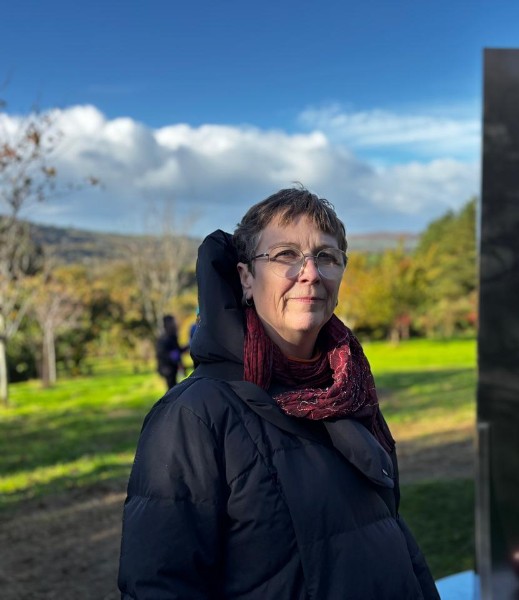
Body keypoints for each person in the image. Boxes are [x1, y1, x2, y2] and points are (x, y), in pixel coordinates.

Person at [118, 187, 439, 599]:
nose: (310, 273)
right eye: (286, 254)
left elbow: (388, 534)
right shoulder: (194, 416)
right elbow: (159, 588)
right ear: (246, 278)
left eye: (326, 257)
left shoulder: (344, 390)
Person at [154, 314, 186, 389]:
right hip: (167, 368)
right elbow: (162, 354)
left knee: (174, 388)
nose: (175, 324)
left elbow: (177, 351)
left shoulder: (173, 337)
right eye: (172, 322)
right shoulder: (163, 339)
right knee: (172, 388)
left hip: (172, 368)